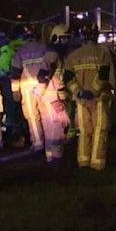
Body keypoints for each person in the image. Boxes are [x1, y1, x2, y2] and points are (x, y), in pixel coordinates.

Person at [64, 23, 113, 170]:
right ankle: (97, 164)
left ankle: (83, 161)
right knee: (100, 129)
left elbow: (68, 78)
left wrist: (79, 92)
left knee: (84, 131)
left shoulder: (73, 56)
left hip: (81, 100)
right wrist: (93, 91)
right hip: (99, 99)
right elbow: (104, 76)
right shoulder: (103, 53)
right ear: (96, 35)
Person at [36, 24, 72, 163]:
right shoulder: (53, 54)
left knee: (50, 131)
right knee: (58, 131)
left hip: (50, 97)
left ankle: (50, 159)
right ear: (56, 38)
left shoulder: (55, 54)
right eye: (64, 39)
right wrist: (51, 97)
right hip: (53, 97)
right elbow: (43, 74)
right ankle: (56, 161)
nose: (66, 42)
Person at [10, 26, 48, 152]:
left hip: (27, 87)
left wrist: (15, 91)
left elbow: (15, 73)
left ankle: (37, 144)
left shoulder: (21, 51)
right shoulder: (43, 48)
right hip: (44, 86)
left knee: (32, 116)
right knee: (46, 115)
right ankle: (50, 141)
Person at [0, 29, 27, 146]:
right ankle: (25, 134)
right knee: (23, 110)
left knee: (11, 109)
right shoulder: (26, 48)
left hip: (10, 84)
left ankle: (13, 137)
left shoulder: (7, 50)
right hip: (26, 83)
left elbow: (3, 70)